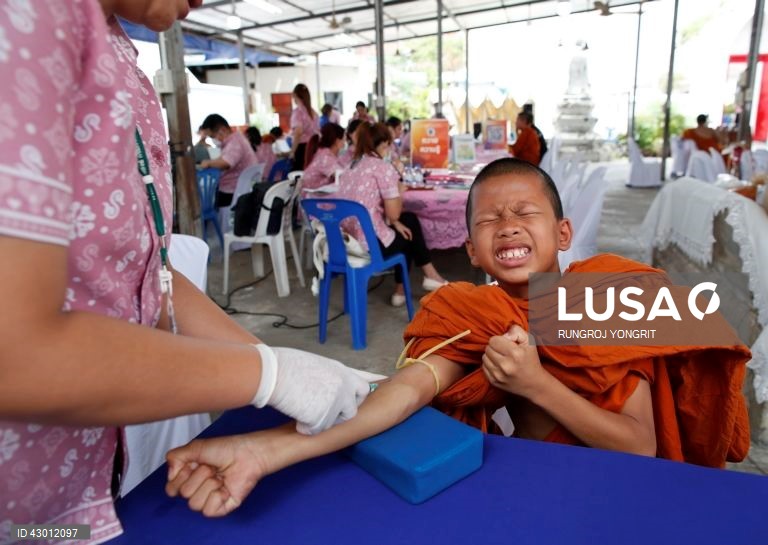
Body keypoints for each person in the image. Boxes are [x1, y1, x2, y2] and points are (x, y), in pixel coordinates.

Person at [165, 158, 750, 517]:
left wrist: (535, 385)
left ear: (564, 231)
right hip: (526, 496)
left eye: (527, 212)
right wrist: (271, 450)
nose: (510, 225)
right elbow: (406, 392)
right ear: (470, 251)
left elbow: (638, 447)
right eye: (490, 220)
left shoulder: (601, 303)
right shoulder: (470, 312)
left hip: (614, 500)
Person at [0, 2, 372, 542]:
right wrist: (267, 376)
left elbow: (152, 275)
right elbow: (17, 355)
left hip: (68, 504)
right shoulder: (28, 18)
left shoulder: (120, 57)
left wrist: (267, 361)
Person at [336, 122, 448, 307]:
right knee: (409, 233)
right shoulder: (382, 168)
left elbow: (384, 212)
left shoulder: (351, 167)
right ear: (385, 144)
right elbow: (394, 213)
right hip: (368, 246)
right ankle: (422, 279)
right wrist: (398, 186)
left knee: (407, 222)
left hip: (345, 242)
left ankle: (409, 287)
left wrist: (395, 222)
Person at [199, 114, 258, 207]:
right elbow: (223, 158)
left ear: (222, 130)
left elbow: (226, 163)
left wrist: (208, 163)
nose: (213, 140)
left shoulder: (235, 142)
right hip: (242, 188)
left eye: (212, 136)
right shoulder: (235, 140)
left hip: (235, 192)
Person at [301, 123, 345, 195]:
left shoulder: (323, 152)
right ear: (337, 141)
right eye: (344, 139)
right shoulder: (325, 157)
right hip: (311, 200)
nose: (344, 143)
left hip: (314, 197)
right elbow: (342, 176)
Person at [290, 83, 321, 170]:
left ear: (295, 95)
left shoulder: (298, 112)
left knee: (299, 175)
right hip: (314, 147)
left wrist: (292, 152)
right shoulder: (313, 112)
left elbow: (298, 132)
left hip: (302, 149)